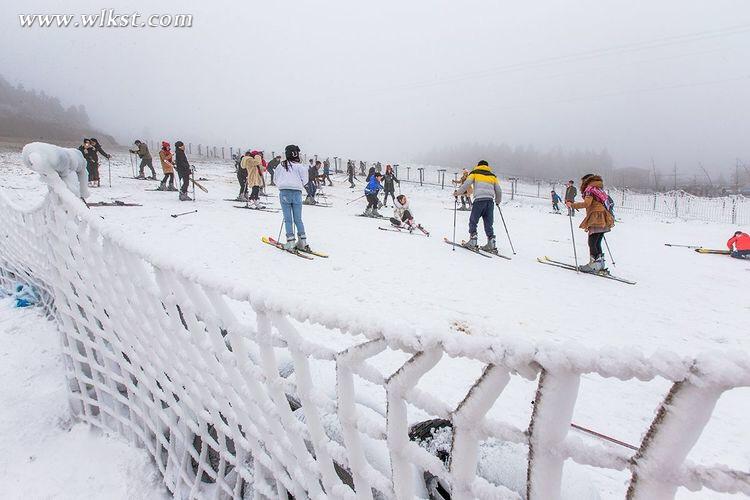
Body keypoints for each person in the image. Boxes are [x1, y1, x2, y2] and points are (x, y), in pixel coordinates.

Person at [566, 174, 615, 272]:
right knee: (597, 242)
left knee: (592, 241)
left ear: (586, 181)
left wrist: (572, 205)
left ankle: (594, 265)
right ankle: (600, 263)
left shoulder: (590, 189)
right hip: (604, 217)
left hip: (596, 217)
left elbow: (586, 204)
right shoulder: (598, 189)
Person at [454, 160, 503, 251]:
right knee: (489, 223)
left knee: (473, 221)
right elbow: (499, 191)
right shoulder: (492, 176)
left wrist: (458, 193)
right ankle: (491, 242)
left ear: (478, 165)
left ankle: (473, 240)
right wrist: (497, 201)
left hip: (479, 201)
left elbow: (466, 185)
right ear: (487, 166)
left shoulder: (474, 173)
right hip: (490, 202)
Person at [275, 145, 311, 251]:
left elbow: (275, 179)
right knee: (298, 219)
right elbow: (305, 181)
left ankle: (290, 242)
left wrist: (283, 185)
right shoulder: (300, 166)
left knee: (288, 219)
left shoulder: (281, 166)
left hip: (284, 192)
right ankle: (302, 241)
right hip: (297, 193)